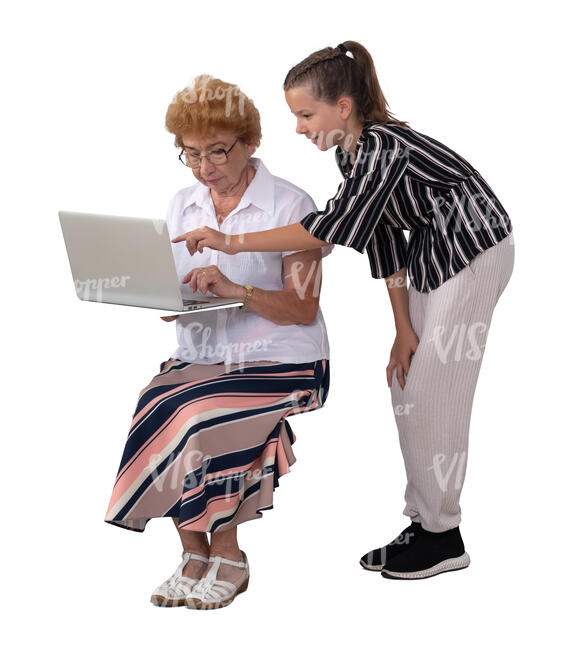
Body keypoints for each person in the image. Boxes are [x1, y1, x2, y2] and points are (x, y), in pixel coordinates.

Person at [173, 42, 515, 580]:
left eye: (306, 114)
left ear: (344, 107)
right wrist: (402, 327)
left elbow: (330, 229)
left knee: (432, 390)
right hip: (431, 257)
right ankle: (425, 522)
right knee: (406, 383)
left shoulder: (381, 146)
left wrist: (231, 243)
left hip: (473, 251)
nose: (300, 127)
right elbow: (382, 244)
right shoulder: (351, 154)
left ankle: (443, 535)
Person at [104, 74, 332, 608]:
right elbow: (179, 287)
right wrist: (161, 297)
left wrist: (235, 289)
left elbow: (302, 308)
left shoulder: (293, 206)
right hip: (202, 355)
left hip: (286, 360)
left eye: (217, 151)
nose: (204, 168)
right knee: (155, 401)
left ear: (251, 143)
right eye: (189, 154)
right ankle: (192, 552)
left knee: (199, 412)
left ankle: (227, 552)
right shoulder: (183, 203)